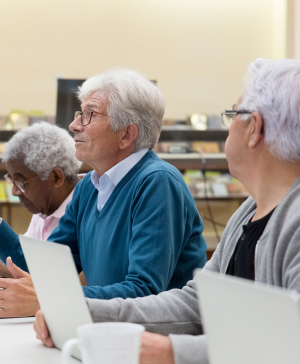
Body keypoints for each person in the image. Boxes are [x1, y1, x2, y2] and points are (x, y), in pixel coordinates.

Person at [34, 58, 300, 364]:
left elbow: (292, 343)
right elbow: (195, 303)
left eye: (233, 115)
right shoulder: (248, 211)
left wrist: (172, 357)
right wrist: (88, 313)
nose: (76, 125)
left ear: (255, 128)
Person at [1, 68, 207, 317]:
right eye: (80, 113)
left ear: (126, 134)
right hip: (107, 334)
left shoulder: (157, 182)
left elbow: (145, 293)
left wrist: (49, 298)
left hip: (157, 344)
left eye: (89, 115)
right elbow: (43, 270)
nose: (74, 125)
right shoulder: (88, 186)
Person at [0, 122, 84, 315]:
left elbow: (42, 277)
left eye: (20, 183)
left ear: (56, 177)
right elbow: (26, 265)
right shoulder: (44, 209)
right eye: (11, 180)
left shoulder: (86, 209)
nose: (14, 191)